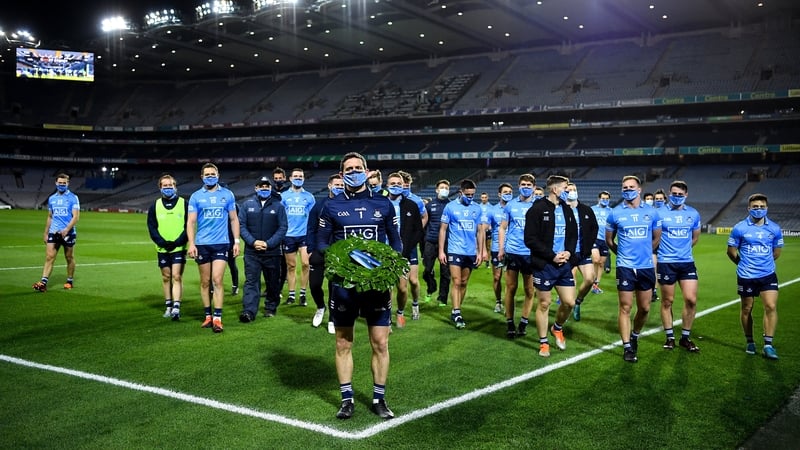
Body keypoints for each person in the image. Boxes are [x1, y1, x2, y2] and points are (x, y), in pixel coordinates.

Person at [317, 152, 401, 420]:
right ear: (341, 175)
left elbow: (396, 243)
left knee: (380, 342)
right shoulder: (330, 207)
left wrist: (387, 265)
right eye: (348, 169)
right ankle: (346, 399)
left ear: (367, 171)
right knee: (343, 342)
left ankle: (379, 399)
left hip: (376, 285)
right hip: (344, 286)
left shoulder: (384, 204)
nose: (354, 172)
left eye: (358, 168)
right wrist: (342, 264)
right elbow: (321, 244)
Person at [605, 175, 661, 363]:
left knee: (644, 308)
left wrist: (645, 253)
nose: (627, 190)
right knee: (625, 307)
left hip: (645, 267)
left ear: (639, 190)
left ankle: (635, 335)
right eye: (624, 187)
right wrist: (621, 255)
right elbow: (609, 240)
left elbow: (656, 238)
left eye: (631, 187)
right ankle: (627, 347)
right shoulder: (615, 213)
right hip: (625, 267)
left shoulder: (652, 212)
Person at [524, 175, 578, 357]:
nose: (568, 191)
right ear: (555, 189)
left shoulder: (567, 210)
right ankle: (543, 343)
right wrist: (552, 256)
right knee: (545, 303)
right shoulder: (537, 209)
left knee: (569, 302)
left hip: (563, 264)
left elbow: (573, 235)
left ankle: (557, 327)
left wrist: (569, 252)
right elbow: (530, 239)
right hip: (544, 265)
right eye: (566, 188)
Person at [727, 193, 784, 360]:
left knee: (771, 306)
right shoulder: (739, 228)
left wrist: (763, 263)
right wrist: (743, 264)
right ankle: (750, 341)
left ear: (767, 208)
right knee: (746, 308)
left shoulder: (774, 228)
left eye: (762, 207)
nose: (758, 209)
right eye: (755, 207)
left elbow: (776, 252)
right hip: (746, 275)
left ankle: (768, 345)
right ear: (749, 208)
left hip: (767, 275)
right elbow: (731, 252)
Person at [186, 163, 240, 333]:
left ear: (218, 175)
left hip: (221, 243)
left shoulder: (227, 194)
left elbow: (234, 219)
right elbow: (191, 222)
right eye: (207, 174)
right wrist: (192, 243)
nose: (210, 176)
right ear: (202, 177)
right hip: (202, 244)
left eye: (213, 173)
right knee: (205, 282)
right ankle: (207, 315)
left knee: (217, 279)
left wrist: (236, 241)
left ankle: (217, 318)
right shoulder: (196, 197)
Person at [656, 181, 701, 352]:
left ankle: (685, 337)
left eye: (680, 195)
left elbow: (695, 237)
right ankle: (669, 337)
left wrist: (682, 251)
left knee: (691, 299)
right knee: (668, 301)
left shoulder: (693, 214)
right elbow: (653, 236)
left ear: (686, 195)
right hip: (666, 263)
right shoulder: (659, 213)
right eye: (674, 194)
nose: (677, 197)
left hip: (686, 262)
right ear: (669, 193)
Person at [438, 178, 487, 329]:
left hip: (470, 251)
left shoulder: (477, 208)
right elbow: (443, 229)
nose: (470, 197)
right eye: (468, 194)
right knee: (457, 281)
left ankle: (456, 309)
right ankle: (457, 311)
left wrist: (481, 251)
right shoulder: (450, 207)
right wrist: (441, 251)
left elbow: (480, 231)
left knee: (464, 282)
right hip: (455, 249)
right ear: (461, 192)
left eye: (472, 195)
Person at [238, 177, 287, 322]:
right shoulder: (247, 205)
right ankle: (249, 311)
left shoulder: (279, 206)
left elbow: (283, 227)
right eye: (261, 186)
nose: (264, 189)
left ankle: (271, 307)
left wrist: (269, 243)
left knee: (272, 282)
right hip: (252, 252)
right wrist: (253, 242)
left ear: (271, 188)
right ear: (256, 188)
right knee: (251, 282)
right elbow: (241, 226)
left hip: (272, 252)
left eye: (267, 186)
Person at [497, 174, 537, 339]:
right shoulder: (511, 205)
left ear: (534, 187)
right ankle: (510, 323)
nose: (526, 187)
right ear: (519, 185)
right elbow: (502, 228)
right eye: (523, 184)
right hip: (513, 252)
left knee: (529, 289)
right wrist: (501, 248)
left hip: (531, 253)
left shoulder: (539, 206)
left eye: (529, 184)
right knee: (511, 288)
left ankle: (524, 321)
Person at [146, 174, 188, 320]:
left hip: (178, 247)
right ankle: (168, 306)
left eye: (171, 186)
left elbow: (188, 226)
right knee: (166, 277)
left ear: (175, 187)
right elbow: (152, 227)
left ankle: (176, 307)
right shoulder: (155, 206)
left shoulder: (184, 203)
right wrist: (162, 242)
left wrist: (177, 242)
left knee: (177, 276)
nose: (168, 188)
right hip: (162, 248)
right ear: (160, 188)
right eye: (165, 186)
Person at [386, 172, 424, 325]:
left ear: (403, 186)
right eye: (393, 184)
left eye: (398, 184)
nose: (395, 186)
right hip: (386, 252)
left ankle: (401, 310)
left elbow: (419, 231)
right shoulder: (382, 204)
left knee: (402, 288)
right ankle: (386, 317)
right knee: (386, 287)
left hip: (405, 253)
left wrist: (407, 248)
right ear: (387, 186)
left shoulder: (411, 205)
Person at [307, 174, 344, 333]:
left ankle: (332, 318)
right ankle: (320, 307)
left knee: (334, 287)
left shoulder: (346, 204)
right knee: (314, 285)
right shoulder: (319, 205)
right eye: (337, 185)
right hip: (318, 251)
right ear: (329, 186)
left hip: (337, 253)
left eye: (342, 186)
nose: (339, 188)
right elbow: (311, 228)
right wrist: (309, 249)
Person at [32, 173, 80, 292]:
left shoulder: (73, 198)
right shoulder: (52, 198)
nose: (62, 185)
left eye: (64, 183)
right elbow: (50, 216)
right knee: (49, 257)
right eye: (60, 183)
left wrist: (66, 229)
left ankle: (69, 280)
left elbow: (76, 217)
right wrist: (46, 232)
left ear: (68, 183)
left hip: (68, 232)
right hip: (54, 231)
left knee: (69, 257)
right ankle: (43, 282)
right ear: (56, 183)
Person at [281, 168, 315, 305]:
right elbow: (280, 217)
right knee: (291, 266)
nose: (298, 178)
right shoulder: (283, 197)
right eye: (296, 176)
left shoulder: (309, 197)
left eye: (301, 176)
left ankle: (302, 294)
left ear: (304, 179)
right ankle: (291, 295)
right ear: (290, 178)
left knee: (306, 264)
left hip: (304, 235)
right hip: (288, 235)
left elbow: (313, 218)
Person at [565, 183, 598, 322]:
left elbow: (593, 228)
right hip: (567, 254)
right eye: (569, 190)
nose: (572, 192)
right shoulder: (560, 210)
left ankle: (578, 302)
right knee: (569, 285)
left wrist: (591, 246)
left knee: (590, 279)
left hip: (583, 252)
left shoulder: (586, 210)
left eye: (574, 190)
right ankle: (566, 310)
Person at [398, 170, 428, 312]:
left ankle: (415, 303)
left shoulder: (416, 200)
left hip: (410, 246)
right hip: (396, 246)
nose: (404, 187)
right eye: (401, 184)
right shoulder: (392, 200)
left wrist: (415, 232)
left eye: (406, 184)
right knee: (399, 285)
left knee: (413, 280)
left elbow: (424, 217)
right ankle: (399, 311)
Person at [422, 179, 451, 306]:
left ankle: (442, 298)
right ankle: (431, 286)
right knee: (427, 269)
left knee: (445, 272)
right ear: (437, 190)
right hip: (431, 241)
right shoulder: (429, 206)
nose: (444, 189)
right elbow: (425, 223)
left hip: (446, 243)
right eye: (442, 187)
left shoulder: (451, 206)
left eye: (446, 187)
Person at [486, 183, 513, 314]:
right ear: (499, 194)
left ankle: (508, 302)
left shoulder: (514, 208)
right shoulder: (492, 210)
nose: (507, 194)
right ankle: (498, 301)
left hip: (512, 248)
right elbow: (485, 228)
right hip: (497, 248)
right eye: (505, 192)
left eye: (509, 192)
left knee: (509, 279)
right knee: (497, 277)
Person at [590, 191, 612, 294]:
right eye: (603, 198)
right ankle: (592, 281)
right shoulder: (592, 209)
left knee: (601, 263)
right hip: (594, 238)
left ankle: (596, 284)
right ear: (598, 199)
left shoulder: (611, 211)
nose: (605, 200)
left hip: (605, 240)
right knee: (595, 259)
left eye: (607, 199)